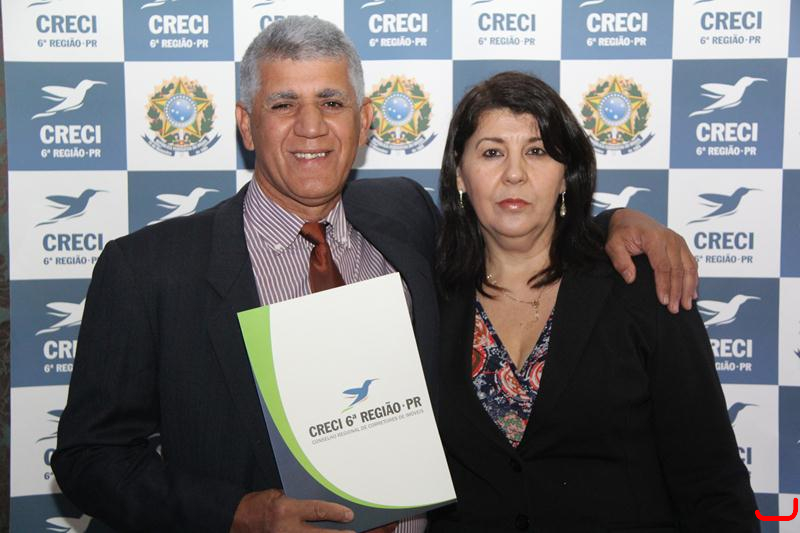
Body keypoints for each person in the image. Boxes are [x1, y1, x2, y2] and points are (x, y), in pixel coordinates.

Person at [51, 17, 698, 533]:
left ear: (363, 123)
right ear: (247, 124)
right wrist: (237, 514)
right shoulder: (149, 271)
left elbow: (516, 224)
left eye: (331, 102)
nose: (311, 127)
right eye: (284, 103)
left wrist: (617, 223)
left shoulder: (404, 216)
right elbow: (88, 459)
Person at [429, 71, 758, 532]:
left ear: (567, 175)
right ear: (461, 176)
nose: (515, 173)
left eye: (537, 151)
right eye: (492, 152)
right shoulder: (429, 294)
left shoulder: (638, 283)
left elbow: (711, 479)